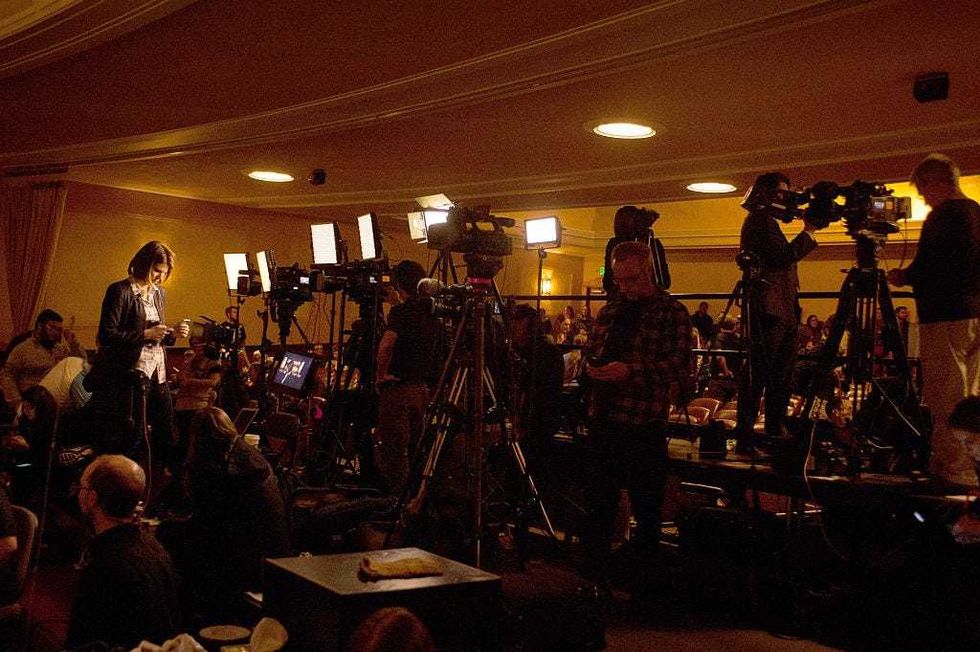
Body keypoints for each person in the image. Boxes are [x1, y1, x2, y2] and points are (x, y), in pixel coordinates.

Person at [581, 241, 694, 594]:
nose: (625, 287)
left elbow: (679, 366)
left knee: (646, 509)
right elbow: (591, 349)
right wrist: (593, 366)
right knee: (598, 505)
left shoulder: (672, 312)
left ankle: (642, 586)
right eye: (619, 279)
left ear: (649, 272)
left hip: (643, 423)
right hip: (604, 417)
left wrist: (630, 371)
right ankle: (595, 581)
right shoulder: (610, 311)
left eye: (631, 279)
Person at [887, 154, 980, 486]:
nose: (924, 200)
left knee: (945, 394)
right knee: (968, 393)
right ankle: (968, 465)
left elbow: (933, 265)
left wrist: (904, 276)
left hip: (945, 317)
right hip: (972, 315)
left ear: (934, 182)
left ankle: (954, 469)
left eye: (924, 191)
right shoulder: (976, 211)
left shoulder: (943, 215)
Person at [84, 241, 190, 467]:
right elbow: (106, 335)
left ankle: (162, 479)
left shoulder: (159, 294)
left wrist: (173, 333)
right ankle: (129, 480)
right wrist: (145, 334)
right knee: (134, 436)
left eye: (165, 273)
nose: (161, 277)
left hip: (158, 371)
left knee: (165, 432)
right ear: (144, 264)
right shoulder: (119, 290)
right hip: (130, 374)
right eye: (157, 271)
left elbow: (156, 336)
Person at [735, 172, 820, 450]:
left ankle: (771, 430)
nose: (787, 199)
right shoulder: (759, 221)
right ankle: (749, 435)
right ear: (768, 194)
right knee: (760, 373)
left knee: (780, 376)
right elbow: (782, 258)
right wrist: (809, 231)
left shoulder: (765, 222)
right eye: (783, 193)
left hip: (779, 309)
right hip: (769, 311)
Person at [181, 407, 289, 624]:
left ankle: (194, 618)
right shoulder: (245, 456)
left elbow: (210, 520)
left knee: (176, 542)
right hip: (267, 553)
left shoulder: (229, 470)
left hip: (249, 559)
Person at [66, 454, 181, 649]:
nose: (77, 493)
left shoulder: (103, 565)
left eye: (81, 488)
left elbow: (82, 642)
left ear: (92, 498)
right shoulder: (155, 546)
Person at [373, 260, 441, 495]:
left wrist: (381, 375)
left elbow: (386, 345)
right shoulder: (433, 313)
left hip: (398, 390)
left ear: (398, 284)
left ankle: (397, 500)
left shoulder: (400, 313)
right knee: (415, 449)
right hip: (422, 391)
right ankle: (415, 498)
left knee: (393, 452)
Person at [510, 304, 564, 467]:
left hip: (537, 422)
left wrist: (521, 423)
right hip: (534, 420)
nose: (512, 328)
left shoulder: (543, 353)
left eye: (517, 323)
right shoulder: (523, 350)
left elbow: (541, 393)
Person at [1, 309, 84, 413]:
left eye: (59, 329)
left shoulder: (60, 349)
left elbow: (81, 363)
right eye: (52, 327)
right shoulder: (22, 349)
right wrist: (17, 403)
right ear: (40, 326)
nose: (56, 332)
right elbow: (8, 376)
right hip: (34, 403)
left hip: (59, 403)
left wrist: (74, 343)